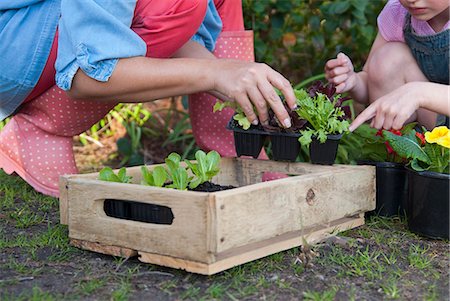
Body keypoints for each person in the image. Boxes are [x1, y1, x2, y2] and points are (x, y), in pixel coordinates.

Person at [0, 0, 296, 197]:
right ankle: (44, 125)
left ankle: (239, 155)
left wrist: (231, 76)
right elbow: (86, 75)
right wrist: (214, 74)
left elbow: (177, 35)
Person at [324, 0, 449, 132]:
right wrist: (354, 81)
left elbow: (417, 93)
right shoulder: (398, 13)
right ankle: (405, 146)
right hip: (433, 125)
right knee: (387, 58)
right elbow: (375, 83)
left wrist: (419, 93)